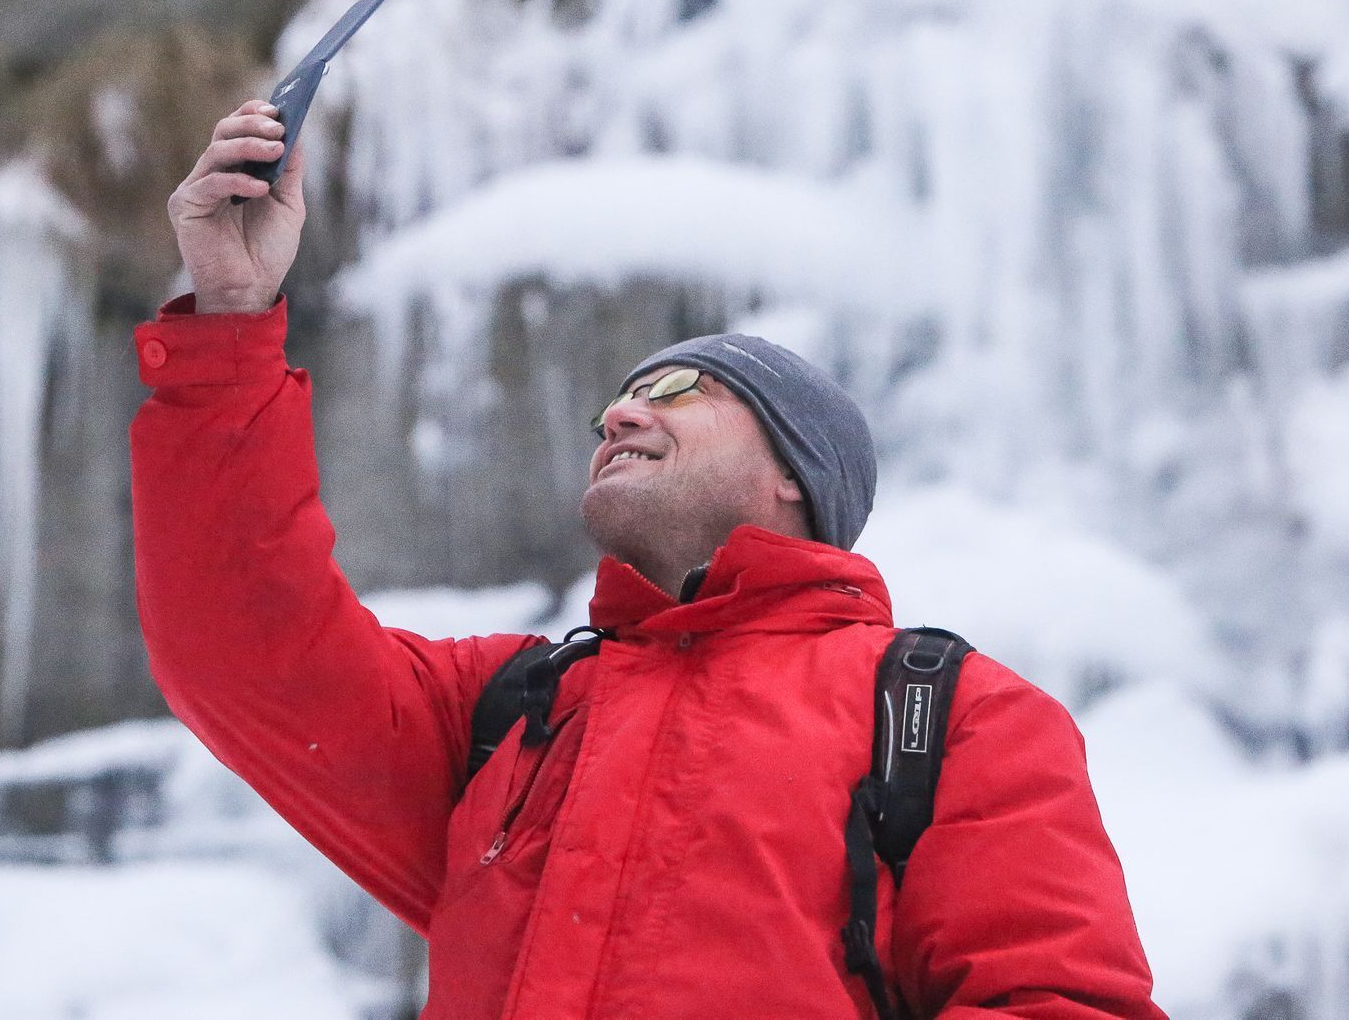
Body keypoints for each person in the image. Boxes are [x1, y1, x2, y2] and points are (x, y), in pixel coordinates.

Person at [129, 100, 1167, 1018]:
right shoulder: (503, 714)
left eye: (677, 391)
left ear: (793, 471)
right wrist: (229, 319)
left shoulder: (949, 716)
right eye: (614, 401)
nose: (620, 409)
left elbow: (1059, 1002)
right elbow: (246, 650)